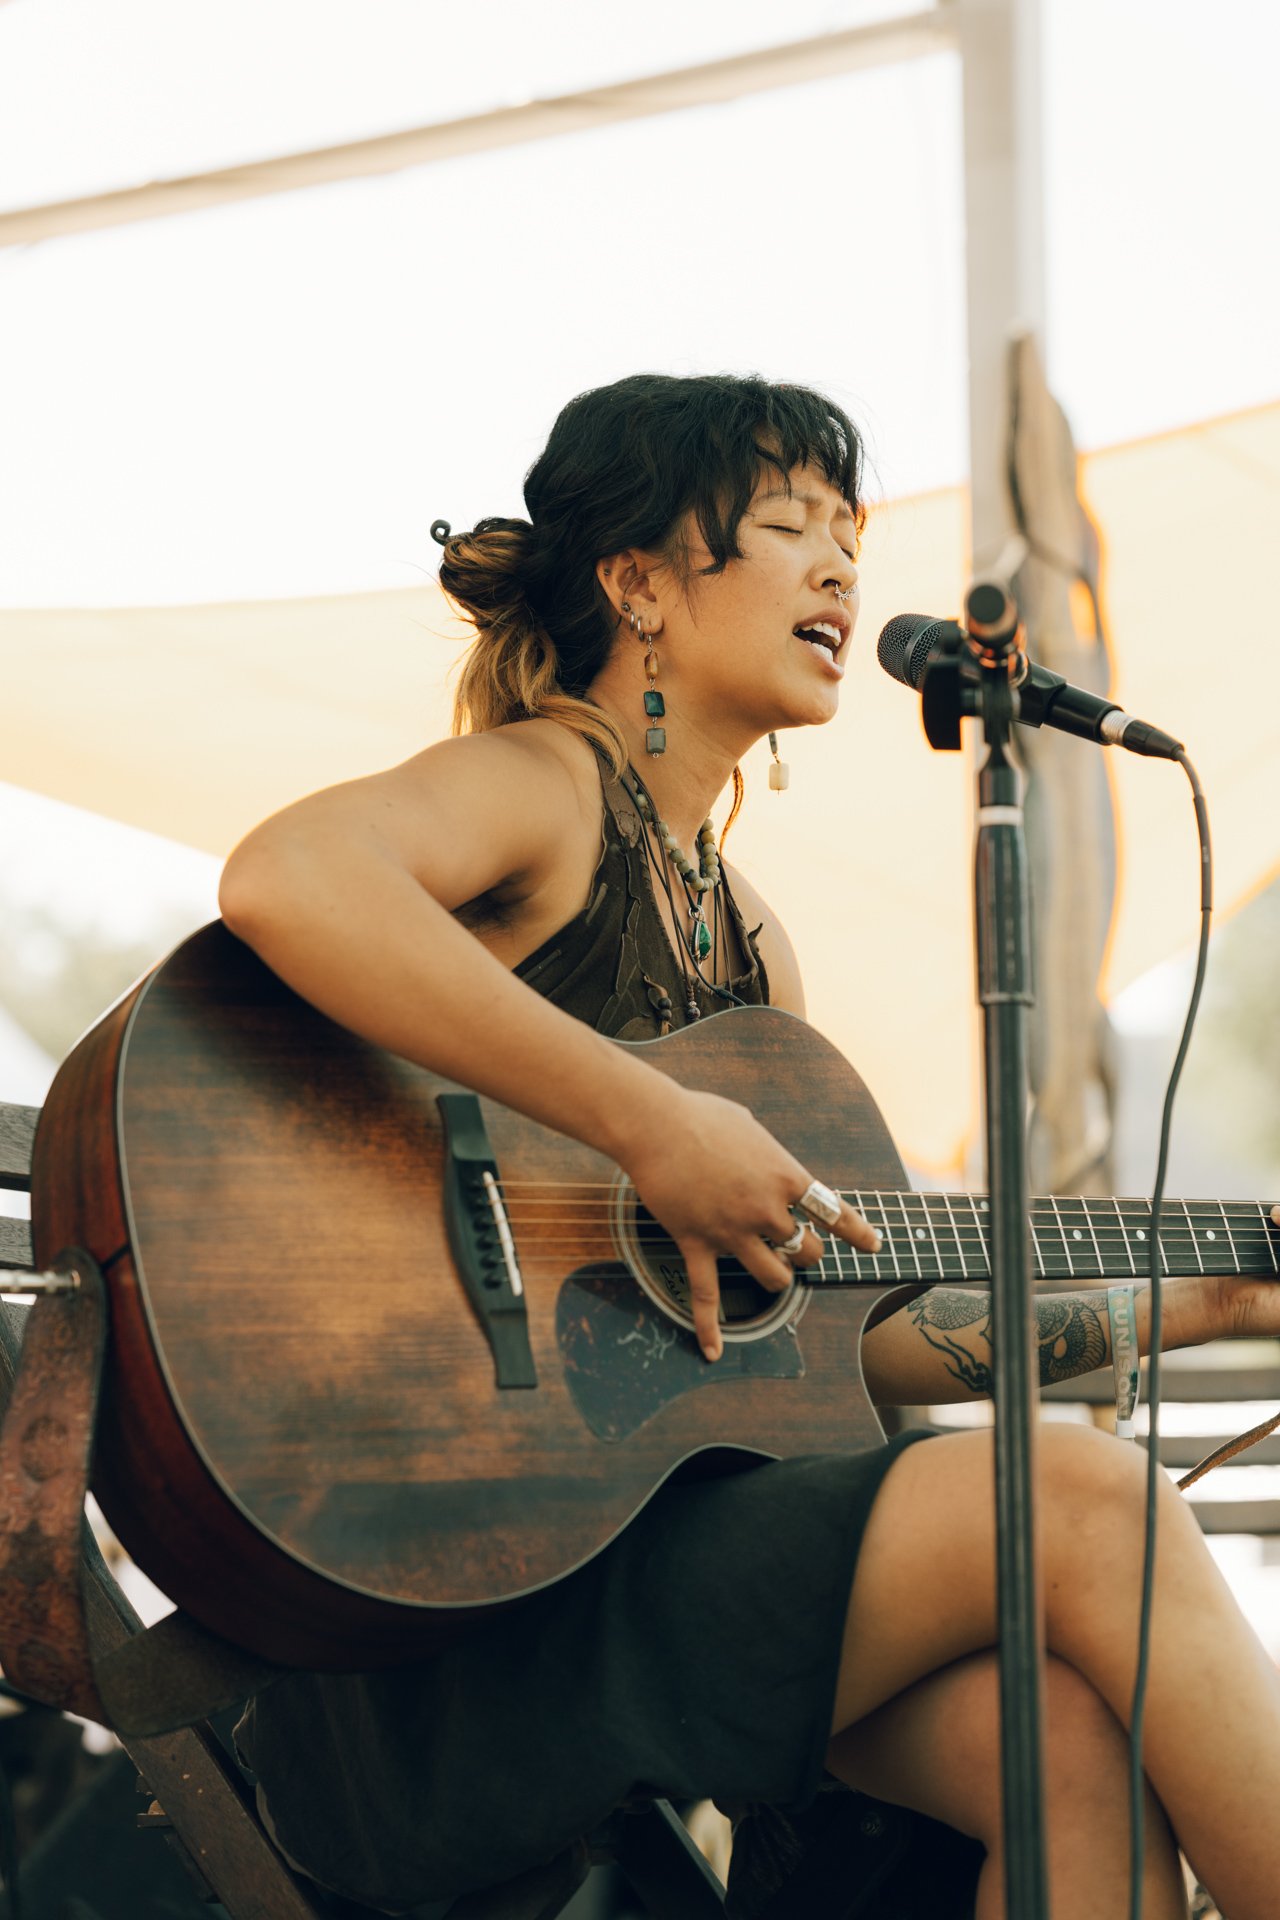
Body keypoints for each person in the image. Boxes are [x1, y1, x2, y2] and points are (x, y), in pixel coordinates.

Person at [218, 372, 1280, 1919]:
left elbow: (858, 1339)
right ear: (635, 584)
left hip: (674, 1549)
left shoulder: (750, 945)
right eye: (789, 529)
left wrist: (1197, 1307)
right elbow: (285, 878)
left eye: (851, 535)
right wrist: (648, 1121)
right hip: (472, 1577)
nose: (845, 571)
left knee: (1062, 1758)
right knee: (1097, 1502)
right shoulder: (547, 784)